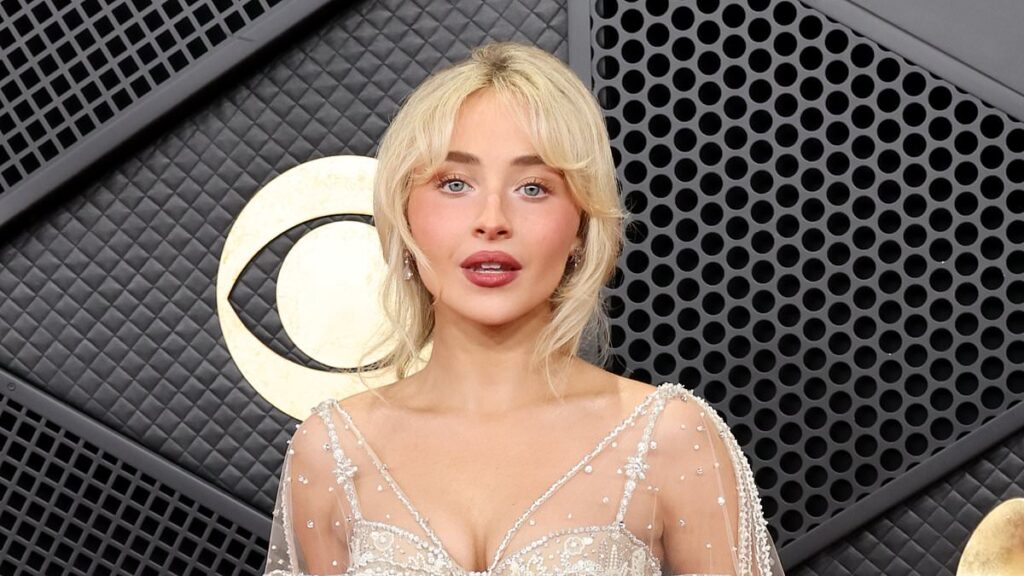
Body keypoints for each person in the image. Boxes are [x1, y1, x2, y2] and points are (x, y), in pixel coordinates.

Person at [264, 41, 784, 575]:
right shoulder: (331, 450)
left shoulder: (670, 437)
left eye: (533, 188)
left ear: (581, 224)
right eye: (455, 184)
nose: (492, 220)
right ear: (403, 212)